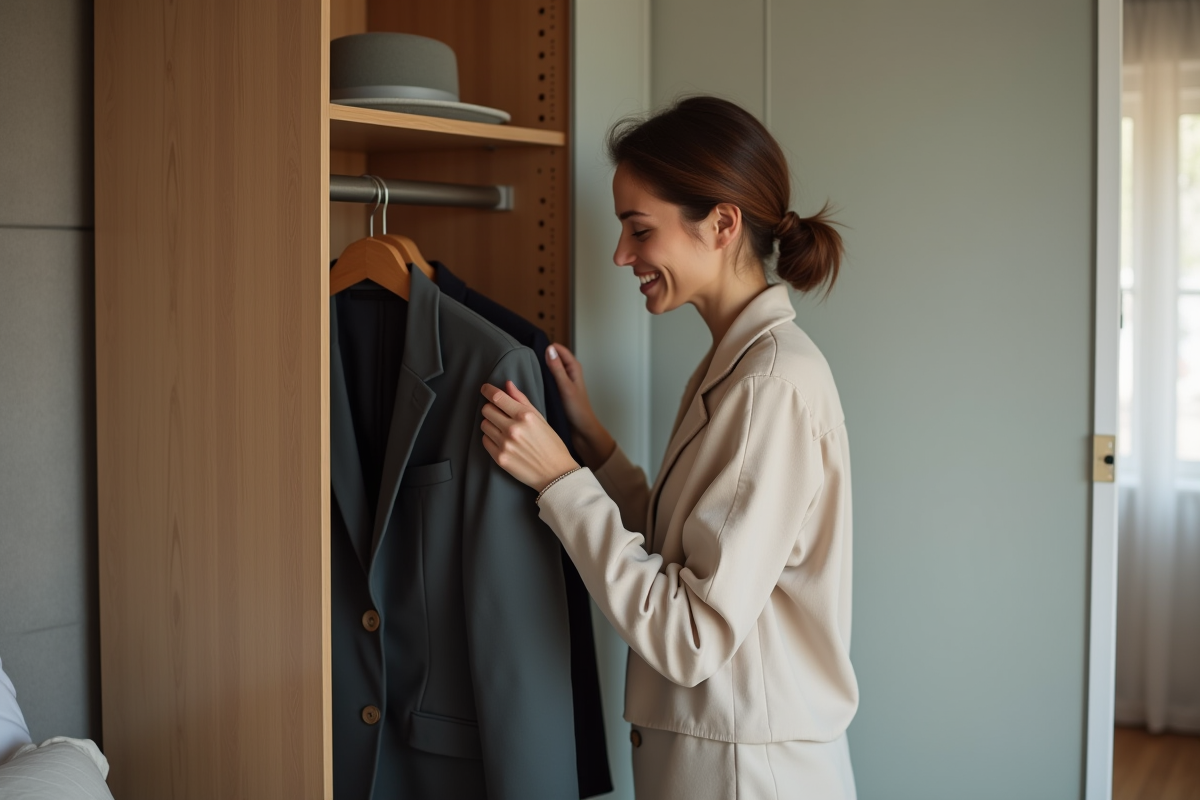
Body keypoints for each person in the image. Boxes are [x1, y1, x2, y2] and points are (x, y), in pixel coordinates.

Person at [479, 96, 858, 799]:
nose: (621, 255)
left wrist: (562, 480)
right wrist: (592, 444)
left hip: (747, 777)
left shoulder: (770, 384)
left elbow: (690, 635)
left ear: (721, 223)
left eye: (639, 230)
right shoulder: (738, 363)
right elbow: (687, 552)